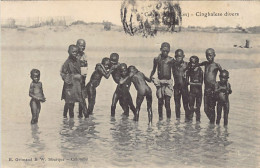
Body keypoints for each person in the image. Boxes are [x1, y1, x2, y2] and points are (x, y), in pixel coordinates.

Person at [60, 45, 87, 118]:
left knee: (82, 102)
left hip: (78, 85)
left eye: (76, 52)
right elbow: (63, 74)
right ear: (68, 52)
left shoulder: (78, 60)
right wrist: (74, 76)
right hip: (70, 87)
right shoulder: (66, 63)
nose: (75, 53)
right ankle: (70, 123)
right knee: (71, 105)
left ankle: (87, 120)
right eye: (73, 52)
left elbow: (83, 71)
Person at [150, 42, 175, 120]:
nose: (165, 52)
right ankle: (160, 119)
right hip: (160, 82)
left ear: (169, 51)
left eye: (167, 51)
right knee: (160, 101)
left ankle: (168, 120)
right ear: (160, 49)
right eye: (163, 51)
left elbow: (174, 71)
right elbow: (154, 69)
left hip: (168, 82)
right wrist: (150, 77)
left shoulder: (171, 60)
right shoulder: (157, 59)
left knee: (167, 102)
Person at [199, 48, 222, 124]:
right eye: (207, 55)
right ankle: (211, 122)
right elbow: (195, 64)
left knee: (212, 108)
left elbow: (223, 75)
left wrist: (219, 86)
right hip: (206, 89)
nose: (208, 57)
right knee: (205, 109)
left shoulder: (216, 65)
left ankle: (212, 124)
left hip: (213, 89)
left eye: (210, 55)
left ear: (214, 55)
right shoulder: (205, 63)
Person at [110, 53, 135, 117]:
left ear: (117, 61)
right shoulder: (111, 66)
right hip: (118, 90)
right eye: (111, 62)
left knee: (128, 105)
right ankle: (112, 120)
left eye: (114, 63)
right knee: (113, 105)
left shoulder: (121, 68)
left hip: (124, 90)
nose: (113, 64)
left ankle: (133, 118)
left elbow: (122, 81)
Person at [172, 49, 190, 121]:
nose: (178, 58)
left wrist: (186, 71)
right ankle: (177, 120)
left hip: (184, 87)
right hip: (176, 87)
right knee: (177, 105)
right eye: (176, 56)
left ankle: (187, 121)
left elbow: (196, 65)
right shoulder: (173, 64)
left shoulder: (187, 64)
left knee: (186, 105)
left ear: (183, 56)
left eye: (180, 56)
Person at [187, 56, 203, 122]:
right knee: (191, 108)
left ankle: (198, 124)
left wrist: (191, 83)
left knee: (197, 108)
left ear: (197, 63)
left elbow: (201, 83)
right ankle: (190, 125)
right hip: (191, 92)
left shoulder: (200, 71)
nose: (192, 64)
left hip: (198, 92)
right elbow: (187, 80)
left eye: (194, 63)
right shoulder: (190, 70)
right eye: (191, 63)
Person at [76, 39, 88, 118]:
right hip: (77, 80)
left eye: (84, 46)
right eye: (81, 45)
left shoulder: (84, 54)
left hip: (83, 79)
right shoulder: (75, 54)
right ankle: (86, 116)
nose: (83, 47)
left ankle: (80, 115)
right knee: (82, 98)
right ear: (77, 45)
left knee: (82, 97)